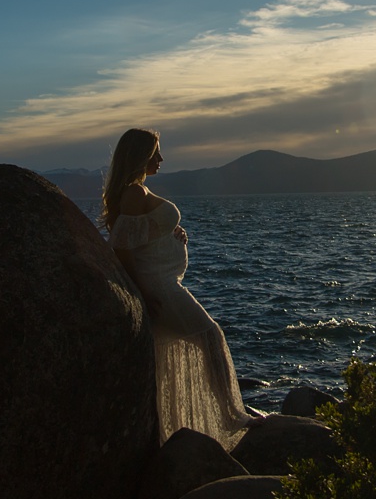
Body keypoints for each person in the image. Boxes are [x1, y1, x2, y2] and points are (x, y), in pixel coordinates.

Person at [101, 128, 258, 447]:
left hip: (164, 282)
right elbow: (122, 246)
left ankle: (203, 420)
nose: (160, 158)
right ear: (139, 156)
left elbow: (141, 237)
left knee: (195, 342)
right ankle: (231, 416)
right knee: (210, 336)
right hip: (159, 288)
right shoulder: (134, 193)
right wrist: (141, 293)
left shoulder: (138, 192)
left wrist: (169, 234)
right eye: (155, 153)